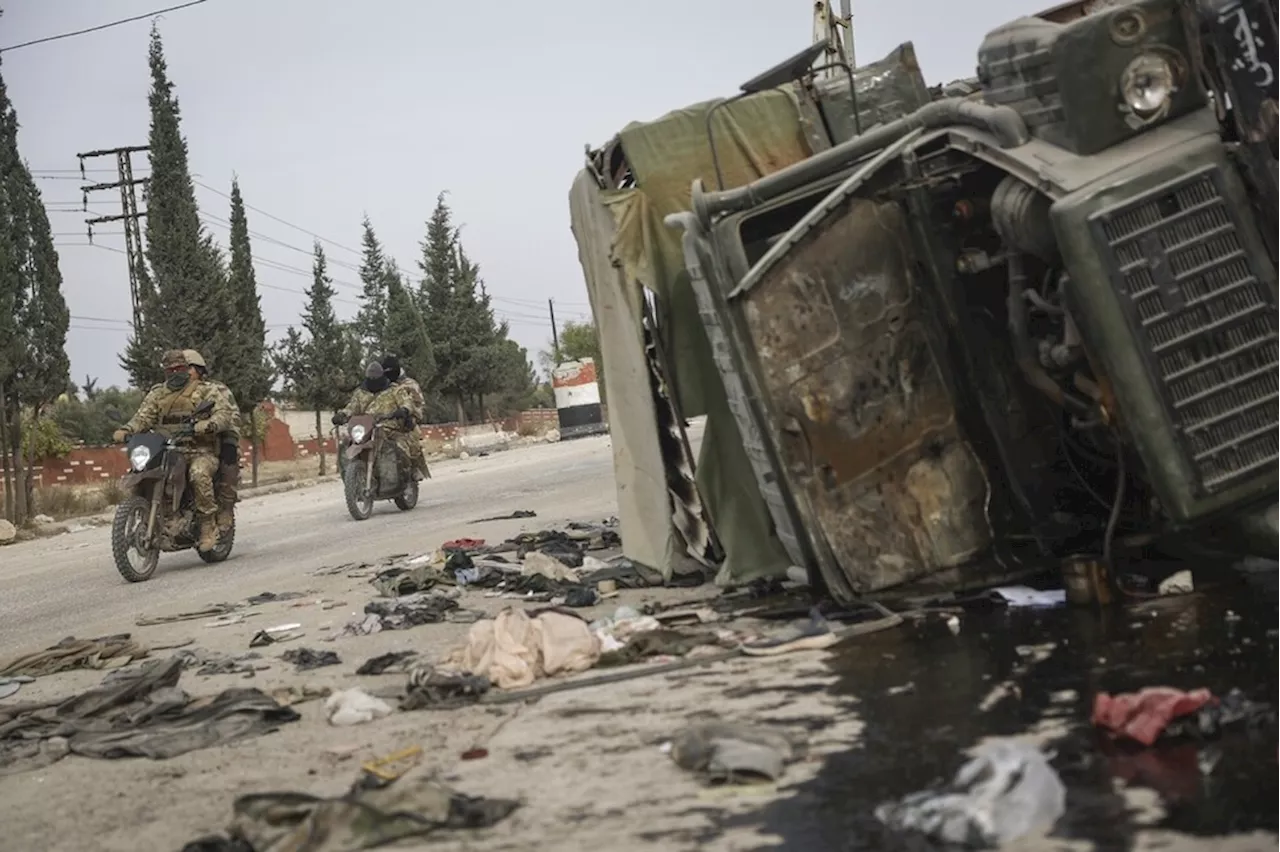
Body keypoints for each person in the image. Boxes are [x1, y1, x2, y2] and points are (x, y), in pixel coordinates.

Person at [112, 349, 236, 551]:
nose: (174, 373)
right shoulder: (158, 393)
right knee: (142, 471)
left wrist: (208, 425)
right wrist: (127, 430)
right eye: (170, 370)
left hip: (200, 451)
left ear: (187, 369)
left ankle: (206, 526)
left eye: (178, 368)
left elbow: (223, 414)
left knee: (198, 473)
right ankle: (152, 517)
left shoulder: (206, 390)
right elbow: (143, 417)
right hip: (167, 450)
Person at [184, 349, 242, 536]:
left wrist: (229, 440)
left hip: (210, 443)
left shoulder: (216, 389)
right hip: (179, 446)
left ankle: (224, 508)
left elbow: (231, 416)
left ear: (199, 370)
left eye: (189, 368)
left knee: (228, 459)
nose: (184, 373)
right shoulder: (169, 393)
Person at [331, 362, 422, 479]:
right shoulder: (360, 393)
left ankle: (409, 473)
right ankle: (351, 478)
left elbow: (407, 402)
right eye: (371, 377)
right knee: (345, 446)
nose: (373, 379)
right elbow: (352, 407)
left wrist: (403, 410)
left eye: (375, 377)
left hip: (389, 428)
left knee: (401, 446)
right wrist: (342, 414)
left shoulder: (394, 390)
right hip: (366, 428)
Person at [380, 353, 431, 479]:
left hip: (406, 422)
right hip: (385, 422)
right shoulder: (382, 385)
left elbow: (420, 405)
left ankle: (414, 467)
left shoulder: (410, 384)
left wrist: (412, 417)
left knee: (412, 436)